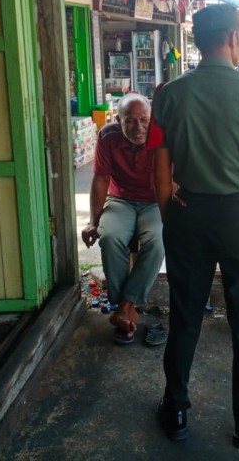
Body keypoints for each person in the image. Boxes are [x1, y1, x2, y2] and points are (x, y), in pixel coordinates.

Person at [149, 4, 239, 449]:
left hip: (188, 211)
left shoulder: (168, 94)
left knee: (185, 316)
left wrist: (172, 214)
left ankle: (177, 409)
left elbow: (161, 165)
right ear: (230, 37)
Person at [81, 93, 165, 346]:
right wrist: (94, 220)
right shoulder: (107, 136)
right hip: (121, 200)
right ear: (118, 120)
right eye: (129, 120)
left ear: (152, 119)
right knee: (110, 235)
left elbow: (174, 174)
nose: (138, 128)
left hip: (154, 201)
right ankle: (124, 307)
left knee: (157, 240)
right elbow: (101, 179)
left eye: (143, 120)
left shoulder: (161, 135)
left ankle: (124, 308)